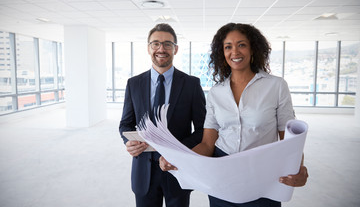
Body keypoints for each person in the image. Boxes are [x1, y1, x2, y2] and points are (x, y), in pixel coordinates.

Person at [160, 23, 308, 207]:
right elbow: (207, 144)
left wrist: (298, 167)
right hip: (222, 175)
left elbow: (289, 140)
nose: (235, 52)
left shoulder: (276, 86)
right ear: (222, 53)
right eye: (228, 47)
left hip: (263, 173)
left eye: (242, 45)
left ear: (253, 48)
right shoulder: (216, 92)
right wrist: (180, 159)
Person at [119, 23, 206, 207]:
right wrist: (128, 142)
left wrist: (177, 151)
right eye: (155, 43)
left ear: (176, 49)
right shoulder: (133, 84)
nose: (161, 49)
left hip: (178, 168)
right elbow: (125, 124)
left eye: (167, 44)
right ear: (148, 48)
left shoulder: (191, 84)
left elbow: (202, 130)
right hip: (143, 169)